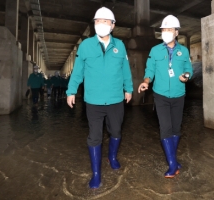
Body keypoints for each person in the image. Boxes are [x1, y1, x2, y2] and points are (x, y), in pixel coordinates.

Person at [66, 7, 133, 189]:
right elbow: (78, 71)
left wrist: (129, 88)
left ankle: (112, 157)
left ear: (112, 26)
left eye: (105, 21)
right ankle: (96, 174)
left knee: (116, 132)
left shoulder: (119, 45)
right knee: (94, 137)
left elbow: (125, 70)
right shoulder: (86, 45)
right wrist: (71, 91)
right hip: (93, 100)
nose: (100, 25)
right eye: (97, 21)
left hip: (115, 99)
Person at [138, 15, 193, 178]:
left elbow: (188, 68)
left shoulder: (184, 51)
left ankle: (173, 160)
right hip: (160, 95)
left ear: (176, 33)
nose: (166, 33)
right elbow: (150, 70)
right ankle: (172, 166)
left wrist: (187, 75)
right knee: (165, 128)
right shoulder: (155, 50)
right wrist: (146, 81)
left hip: (179, 95)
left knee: (176, 128)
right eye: (163, 30)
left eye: (169, 30)